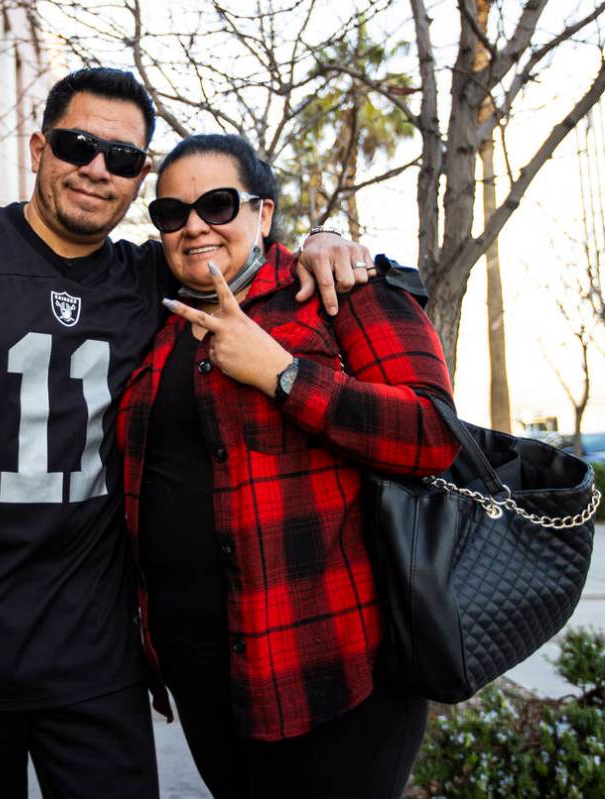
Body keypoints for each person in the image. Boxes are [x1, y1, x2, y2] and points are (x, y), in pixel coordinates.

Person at [0, 69, 369, 798]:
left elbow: (235, 246)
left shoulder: (149, 280)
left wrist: (324, 240)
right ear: (39, 147)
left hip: (96, 661)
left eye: (124, 159)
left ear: (140, 178)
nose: (97, 169)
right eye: (77, 145)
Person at [115, 133, 462, 798]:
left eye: (217, 204)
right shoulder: (152, 322)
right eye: (170, 213)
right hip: (200, 670)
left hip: (329, 665)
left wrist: (283, 373)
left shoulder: (343, 292)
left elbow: (432, 434)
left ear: (264, 214)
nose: (193, 226)